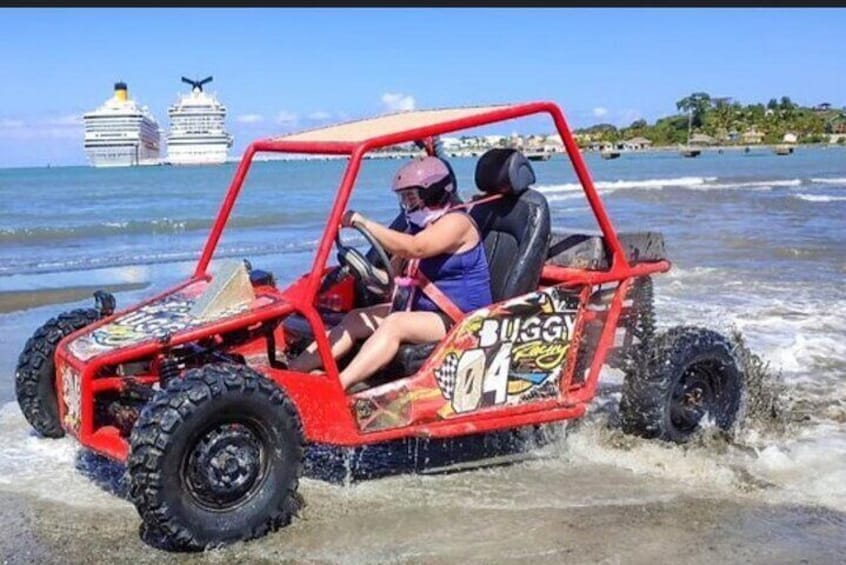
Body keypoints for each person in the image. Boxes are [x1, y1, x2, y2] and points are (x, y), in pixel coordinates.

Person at [288, 155, 492, 391]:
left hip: (460, 319)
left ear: (432, 192)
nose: (406, 203)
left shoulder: (457, 222)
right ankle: (290, 374)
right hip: (422, 308)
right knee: (356, 318)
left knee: (395, 324)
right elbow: (391, 276)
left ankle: (336, 388)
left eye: (411, 196)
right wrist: (365, 273)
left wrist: (361, 222)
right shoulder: (421, 224)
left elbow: (416, 247)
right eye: (403, 197)